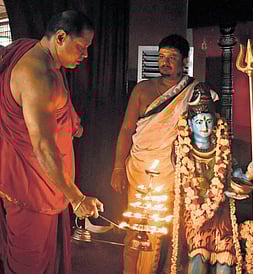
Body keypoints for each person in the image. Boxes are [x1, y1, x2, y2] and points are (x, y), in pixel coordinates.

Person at [0, 10, 103, 273]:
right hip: (31, 188)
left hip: (45, 184)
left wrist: (70, 121)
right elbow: (44, 148)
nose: (85, 55)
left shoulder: (30, 49)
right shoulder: (39, 76)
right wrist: (77, 198)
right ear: (60, 37)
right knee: (30, 264)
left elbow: (47, 111)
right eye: (81, 47)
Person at [110, 34, 206, 274]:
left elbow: (203, 132)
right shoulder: (142, 89)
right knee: (135, 227)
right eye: (162, 57)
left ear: (184, 60)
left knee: (157, 231)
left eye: (171, 57)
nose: (165, 62)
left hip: (169, 171)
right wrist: (118, 168)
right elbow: (125, 129)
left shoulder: (193, 92)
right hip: (138, 169)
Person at [171, 85, 253, 274]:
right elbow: (185, 183)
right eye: (199, 122)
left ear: (215, 123)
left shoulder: (223, 147)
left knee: (226, 262)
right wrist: (210, 196)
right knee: (198, 259)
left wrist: (249, 174)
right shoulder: (182, 151)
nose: (204, 127)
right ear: (189, 124)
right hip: (196, 214)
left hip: (222, 214)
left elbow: (232, 177)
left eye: (208, 121)